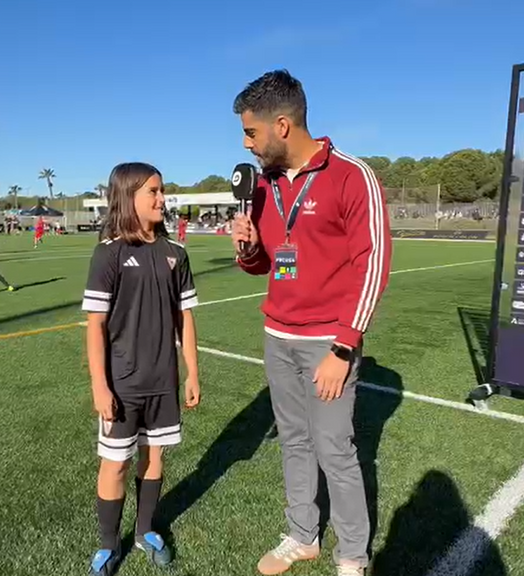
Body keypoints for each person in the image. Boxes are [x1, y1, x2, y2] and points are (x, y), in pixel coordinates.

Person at [230, 70, 392, 576]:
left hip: (327, 343)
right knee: (294, 442)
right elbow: (270, 264)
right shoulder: (265, 187)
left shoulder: (350, 175)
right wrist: (249, 247)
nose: (245, 143)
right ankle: (302, 536)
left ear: (282, 125)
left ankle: (352, 556)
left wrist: (343, 348)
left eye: (251, 132)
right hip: (277, 336)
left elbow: (375, 262)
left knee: (335, 450)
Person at [81, 162, 201, 576]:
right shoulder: (108, 253)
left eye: (162, 190)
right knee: (116, 463)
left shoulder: (175, 254)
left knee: (155, 457)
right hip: (122, 383)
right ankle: (108, 545)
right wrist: (100, 386)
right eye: (153, 191)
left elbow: (185, 317)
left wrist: (192, 372)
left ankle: (145, 531)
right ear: (128, 196)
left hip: (162, 382)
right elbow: (95, 326)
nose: (161, 199)